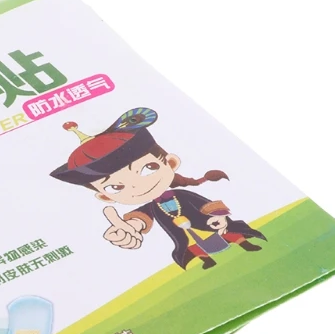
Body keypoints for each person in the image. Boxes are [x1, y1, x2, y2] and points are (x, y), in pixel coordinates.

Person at [50, 107, 265, 269]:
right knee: (187, 245)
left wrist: (217, 216)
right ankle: (206, 261)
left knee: (225, 231)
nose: (137, 185)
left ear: (170, 163)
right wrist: (130, 227)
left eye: (148, 168)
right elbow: (142, 217)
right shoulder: (152, 206)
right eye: (115, 187)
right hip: (182, 231)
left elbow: (204, 204)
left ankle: (245, 244)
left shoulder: (180, 194)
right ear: (105, 197)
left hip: (202, 221)